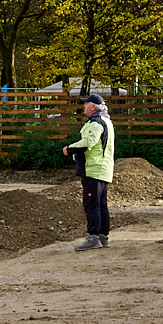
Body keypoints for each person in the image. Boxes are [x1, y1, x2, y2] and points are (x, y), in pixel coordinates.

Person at [62, 94, 115, 251]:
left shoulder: (96, 123)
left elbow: (87, 142)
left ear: (93, 107)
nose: (84, 106)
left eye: (86, 104)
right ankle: (102, 237)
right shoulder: (106, 121)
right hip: (103, 169)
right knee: (101, 205)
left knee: (92, 205)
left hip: (93, 169)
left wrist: (69, 149)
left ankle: (93, 237)